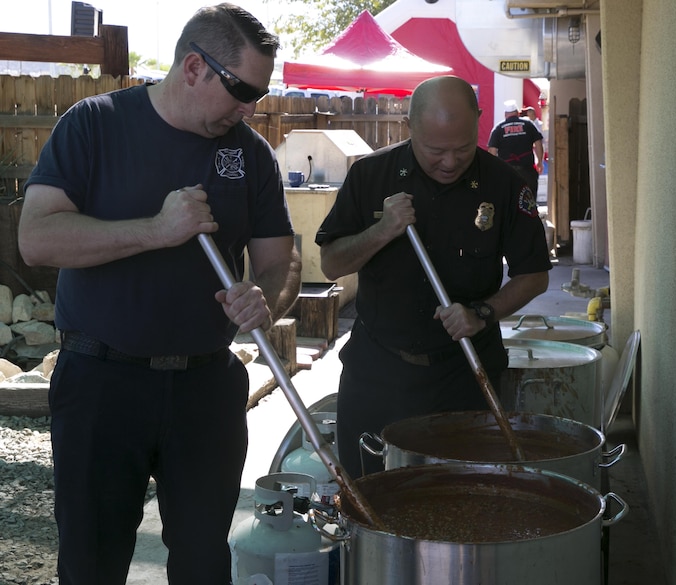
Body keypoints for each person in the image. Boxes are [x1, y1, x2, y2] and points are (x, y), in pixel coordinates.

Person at [17, 4, 302, 584]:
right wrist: (156, 230)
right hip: (102, 383)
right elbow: (36, 239)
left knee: (203, 562)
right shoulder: (94, 124)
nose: (250, 108)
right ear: (194, 66)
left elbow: (281, 260)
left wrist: (266, 297)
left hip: (206, 387)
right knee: (92, 563)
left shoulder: (249, 153)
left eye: (260, 95)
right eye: (242, 89)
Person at [315, 75, 552, 479]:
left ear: (479, 121)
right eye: (435, 150)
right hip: (378, 372)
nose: (449, 162)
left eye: (462, 148)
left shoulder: (504, 184)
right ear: (410, 128)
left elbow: (534, 275)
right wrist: (382, 231)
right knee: (371, 497)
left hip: (465, 374)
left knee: (461, 499)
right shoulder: (371, 176)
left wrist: (482, 312)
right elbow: (332, 264)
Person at [488, 99, 545, 197]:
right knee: (529, 199)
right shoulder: (528, 124)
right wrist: (540, 161)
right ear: (517, 113)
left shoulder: (498, 128)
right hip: (527, 171)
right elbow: (538, 143)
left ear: (505, 114)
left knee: (508, 199)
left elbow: (492, 151)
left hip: (506, 172)